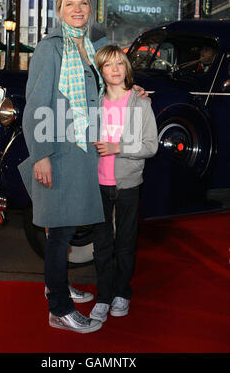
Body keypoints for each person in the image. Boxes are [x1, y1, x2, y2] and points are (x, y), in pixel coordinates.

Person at [18, 0, 147, 334]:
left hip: (80, 151)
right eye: (69, 4)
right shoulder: (52, 48)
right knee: (60, 232)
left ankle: (54, 284)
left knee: (65, 227)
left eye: (83, 3)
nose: (77, 9)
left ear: (91, 9)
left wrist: (130, 90)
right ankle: (58, 308)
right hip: (58, 149)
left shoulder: (88, 47)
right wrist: (41, 155)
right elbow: (36, 105)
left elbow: (103, 86)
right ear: (59, 10)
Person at [89, 45, 158, 323]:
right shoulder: (94, 102)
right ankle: (103, 296)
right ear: (101, 71)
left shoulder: (140, 101)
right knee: (102, 243)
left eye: (120, 63)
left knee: (126, 242)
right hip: (97, 183)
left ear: (127, 68)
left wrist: (118, 147)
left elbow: (151, 146)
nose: (115, 69)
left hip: (128, 182)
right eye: (108, 65)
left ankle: (122, 293)